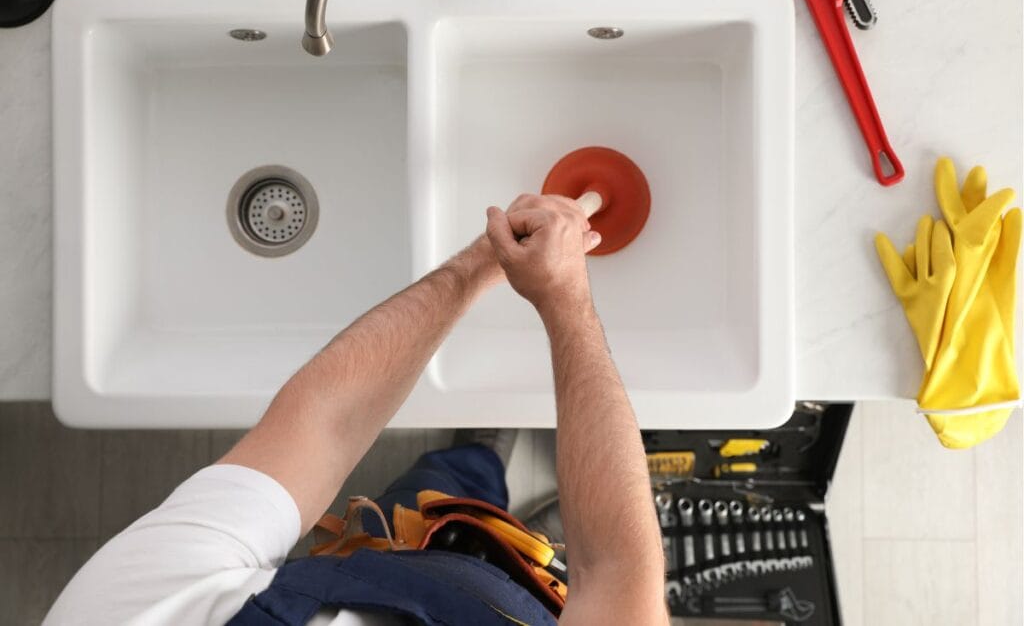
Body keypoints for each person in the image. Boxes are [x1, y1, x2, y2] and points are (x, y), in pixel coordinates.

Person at [45, 195, 668, 625]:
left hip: (393, 556)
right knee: (511, 531)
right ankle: (504, 495)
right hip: (518, 604)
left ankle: (476, 460)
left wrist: (482, 264)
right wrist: (564, 300)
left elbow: (324, 424)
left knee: (438, 490)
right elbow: (614, 571)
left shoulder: (132, 613)